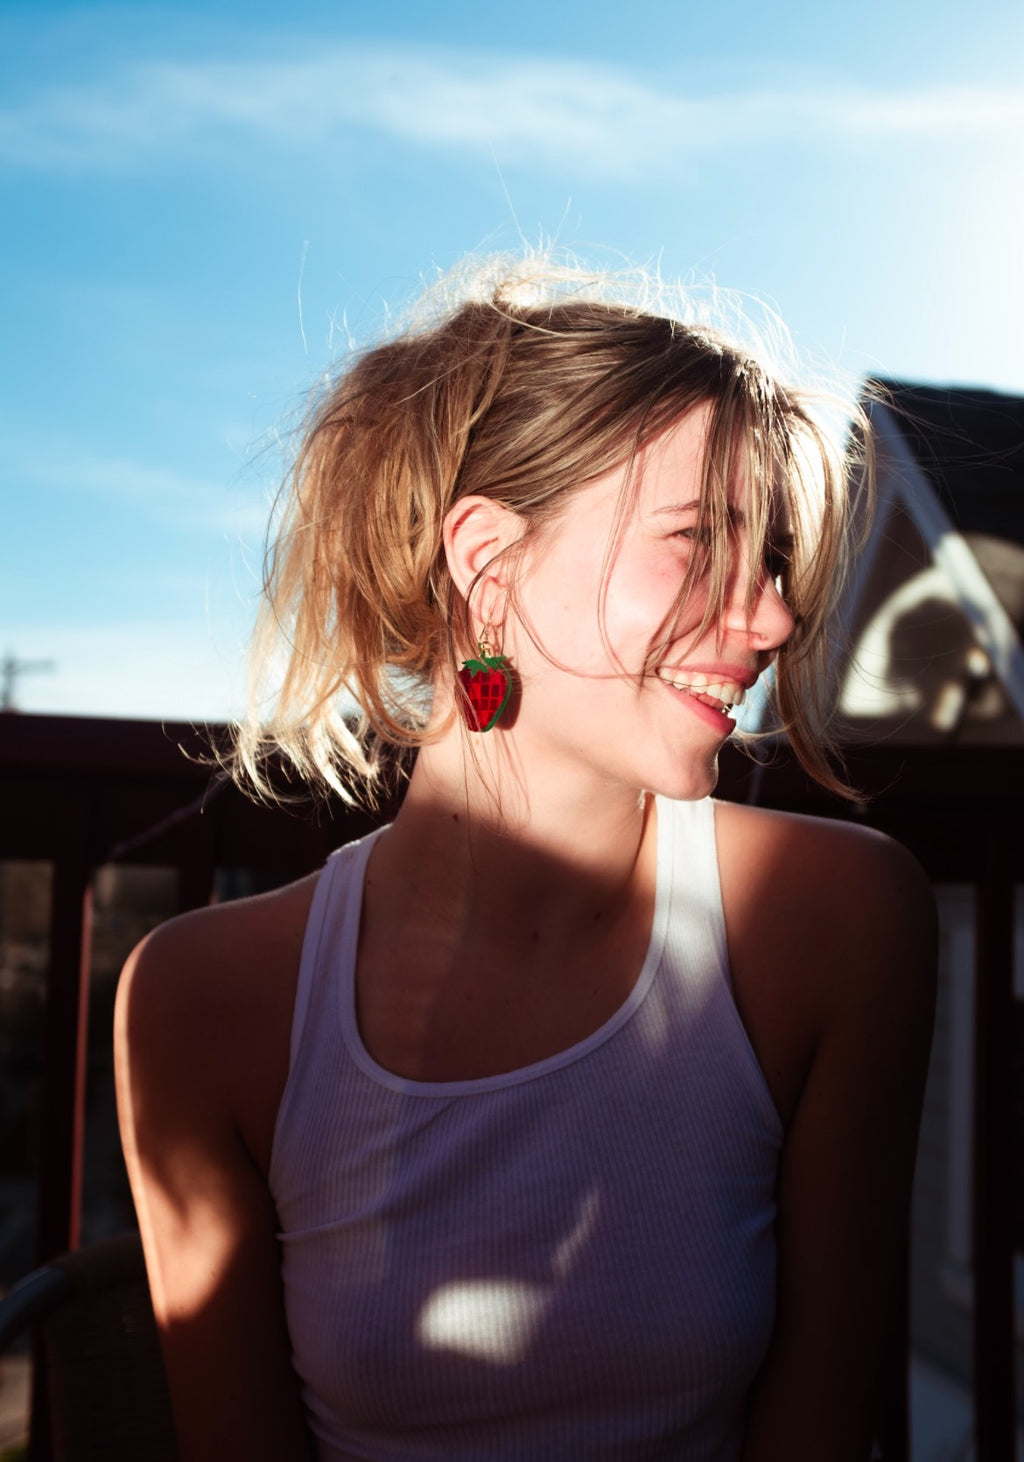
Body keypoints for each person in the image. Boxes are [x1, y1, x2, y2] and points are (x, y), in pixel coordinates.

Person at [115, 256, 937, 1462]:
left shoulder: (834, 922)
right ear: (487, 565)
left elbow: (822, 1418)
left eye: (767, 559)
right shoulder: (202, 1000)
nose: (768, 620)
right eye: (694, 541)